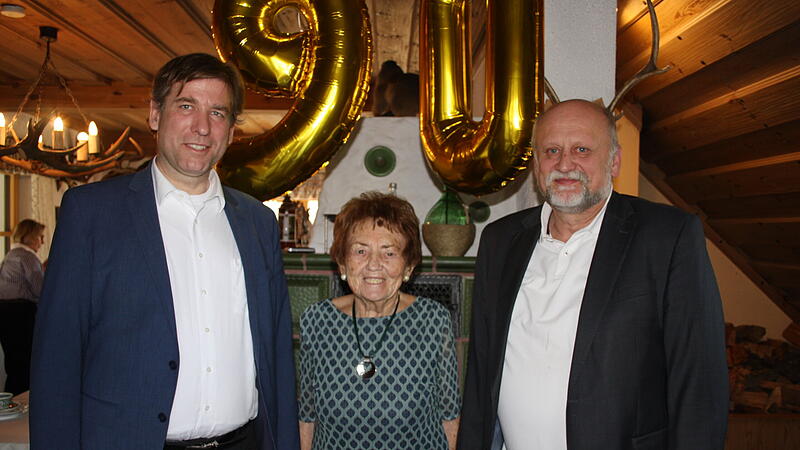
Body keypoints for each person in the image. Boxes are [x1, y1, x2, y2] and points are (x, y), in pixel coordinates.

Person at [30, 53, 300, 450]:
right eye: (186, 106)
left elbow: (277, 354)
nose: (202, 127)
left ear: (231, 130)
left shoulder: (258, 222)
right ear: (155, 114)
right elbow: (57, 357)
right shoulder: (91, 214)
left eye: (218, 113)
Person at [457, 99, 729, 450]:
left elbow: (699, 383)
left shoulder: (667, 237)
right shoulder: (500, 240)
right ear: (536, 164)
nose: (564, 164)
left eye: (582, 149)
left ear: (614, 161)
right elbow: (481, 371)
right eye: (551, 151)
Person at [298, 192, 461, 450]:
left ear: (408, 267)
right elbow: (307, 416)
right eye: (360, 251)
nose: (373, 264)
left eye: (389, 253)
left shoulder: (433, 320)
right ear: (342, 263)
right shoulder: (317, 321)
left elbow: (450, 416)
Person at [0, 219, 45, 394]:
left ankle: (12, 400)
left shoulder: (11, 255)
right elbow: (40, 289)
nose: (42, 242)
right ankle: (24, 401)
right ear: (30, 236)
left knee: (14, 364)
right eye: (40, 237)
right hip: (20, 314)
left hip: (5, 313)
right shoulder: (27, 256)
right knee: (26, 363)